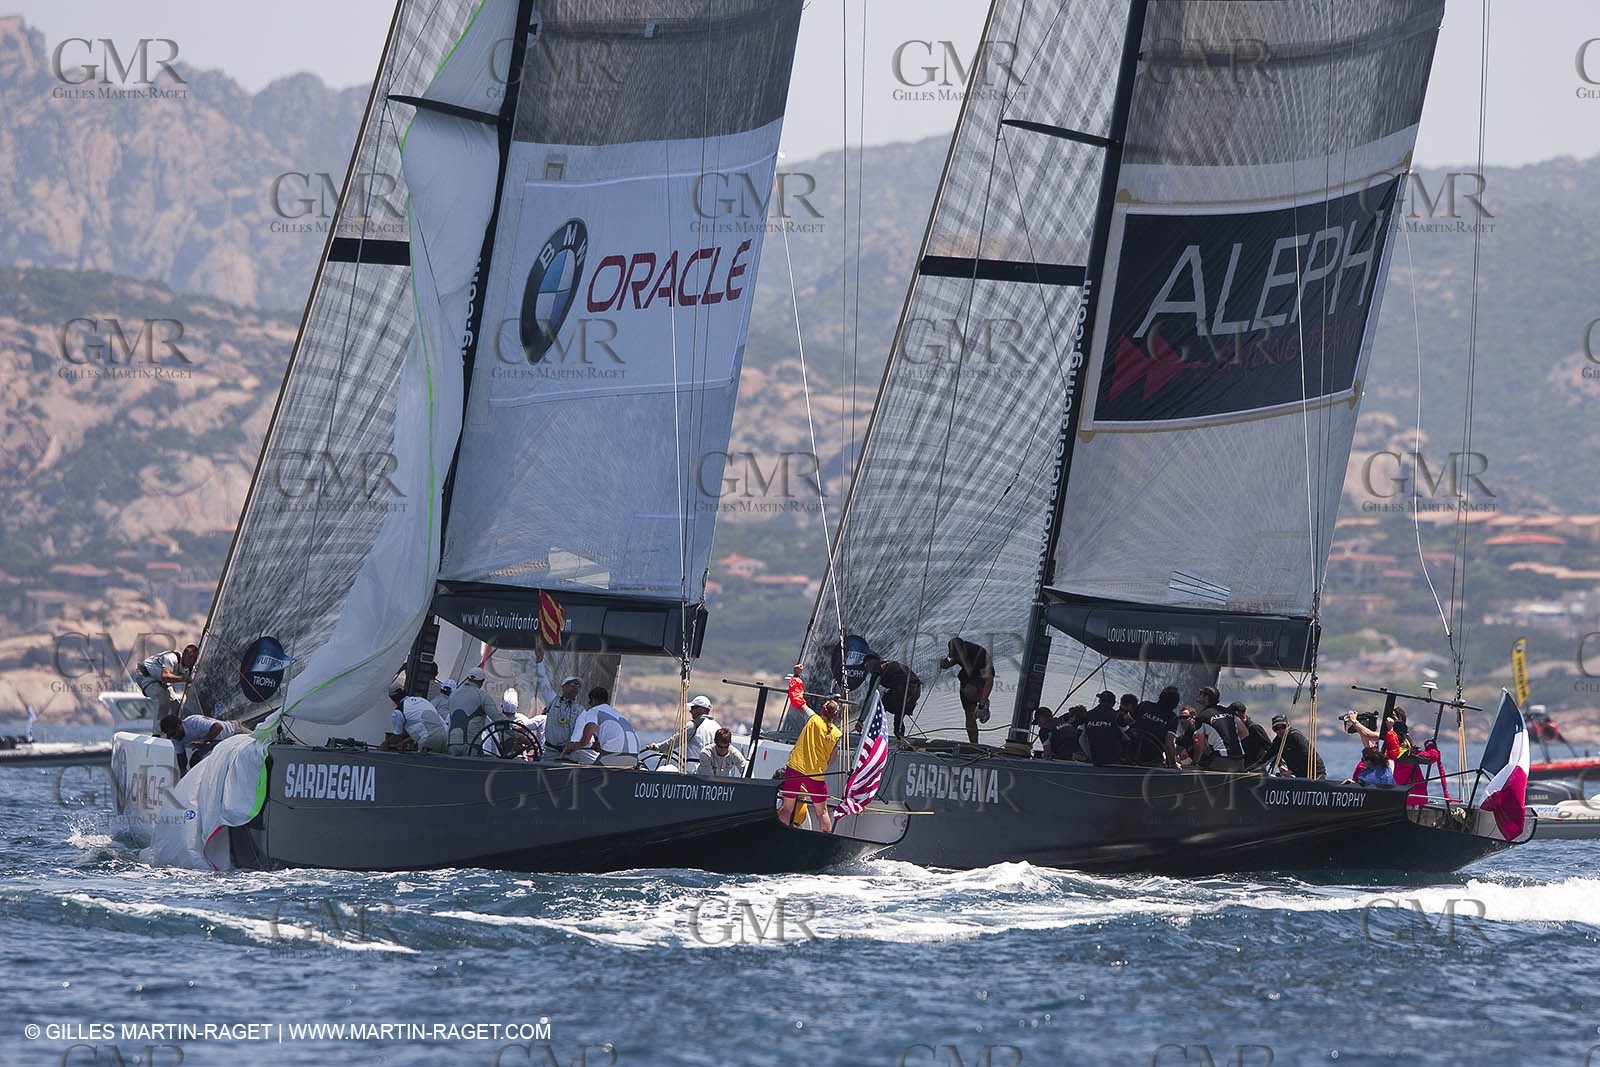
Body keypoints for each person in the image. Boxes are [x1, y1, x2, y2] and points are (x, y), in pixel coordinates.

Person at [777, 699, 843, 832]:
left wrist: (796, 680)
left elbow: (800, 704)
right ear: (836, 715)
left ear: (823, 710)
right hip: (816, 774)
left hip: (795, 768)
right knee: (822, 812)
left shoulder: (813, 719)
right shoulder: (837, 735)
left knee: (787, 808)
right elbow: (832, 759)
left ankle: (779, 834)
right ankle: (825, 842)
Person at [562, 687, 641, 765]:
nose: (590, 705)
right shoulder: (617, 713)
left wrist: (575, 746)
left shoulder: (594, 711)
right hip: (634, 754)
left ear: (593, 700)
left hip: (615, 753)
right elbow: (617, 735)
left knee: (594, 775)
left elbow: (589, 732)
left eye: (590, 702)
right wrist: (600, 745)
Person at [938, 637, 993, 745]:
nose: (958, 658)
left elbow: (989, 681)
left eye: (959, 655)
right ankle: (974, 745)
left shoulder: (979, 654)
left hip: (981, 676)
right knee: (969, 714)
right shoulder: (958, 654)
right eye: (955, 656)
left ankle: (984, 703)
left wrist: (981, 704)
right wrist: (946, 665)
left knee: (970, 691)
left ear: (964, 649)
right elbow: (955, 659)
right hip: (967, 675)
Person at [533, 648, 586, 760]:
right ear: (563, 686)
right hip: (550, 752)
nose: (575, 686)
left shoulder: (580, 710)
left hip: (569, 754)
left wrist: (572, 744)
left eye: (578, 685)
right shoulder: (552, 700)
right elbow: (543, 681)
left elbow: (579, 729)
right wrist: (539, 662)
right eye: (572, 684)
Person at [647, 694, 719, 770]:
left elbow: (673, 742)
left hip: (693, 771)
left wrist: (656, 747)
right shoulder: (718, 727)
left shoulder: (693, 725)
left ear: (701, 710)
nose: (690, 711)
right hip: (711, 772)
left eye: (693, 708)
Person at [159, 711, 244, 773]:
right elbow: (181, 755)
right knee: (195, 761)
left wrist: (203, 741)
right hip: (216, 744)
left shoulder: (193, 722)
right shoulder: (175, 739)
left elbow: (218, 727)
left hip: (233, 732)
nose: (174, 737)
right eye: (170, 736)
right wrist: (183, 770)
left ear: (179, 726)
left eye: (173, 734)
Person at [445, 665, 502, 755]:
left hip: (452, 742)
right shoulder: (481, 695)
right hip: (471, 743)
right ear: (482, 681)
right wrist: (511, 728)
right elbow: (496, 717)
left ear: (468, 678)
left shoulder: (453, 694)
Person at [862, 653, 922, 739]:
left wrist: (861, 720)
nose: (867, 669)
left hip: (906, 689)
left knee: (883, 705)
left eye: (866, 665)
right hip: (916, 689)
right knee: (898, 713)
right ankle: (900, 737)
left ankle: (872, 734)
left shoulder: (877, 671)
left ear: (872, 661)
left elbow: (870, 696)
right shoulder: (888, 663)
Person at [138, 643, 198, 724]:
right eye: (190, 657)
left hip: (160, 681)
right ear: (184, 654)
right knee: (162, 700)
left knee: (176, 705)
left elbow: (188, 689)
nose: (191, 661)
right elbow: (165, 676)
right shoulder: (171, 657)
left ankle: (173, 730)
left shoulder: (190, 669)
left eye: (194, 659)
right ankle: (158, 733)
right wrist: (183, 679)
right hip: (146, 675)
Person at [1130, 686, 1182, 769]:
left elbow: (1127, 720)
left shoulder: (1144, 705)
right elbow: (1169, 743)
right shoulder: (1172, 718)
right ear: (1175, 703)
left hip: (1130, 753)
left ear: (1160, 696)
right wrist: (1173, 763)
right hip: (1152, 759)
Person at [386, 682, 447, 753]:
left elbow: (397, 736)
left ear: (392, 698)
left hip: (429, 740)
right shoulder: (422, 700)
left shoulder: (398, 712)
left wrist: (385, 744)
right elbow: (425, 727)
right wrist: (405, 742)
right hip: (445, 735)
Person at [1269, 715, 1326, 779]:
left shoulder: (1296, 737)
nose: (1280, 730)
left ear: (1287, 726)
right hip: (1299, 775)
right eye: (1276, 728)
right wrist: (1280, 765)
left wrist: (1293, 771)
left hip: (1315, 773)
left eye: (1283, 727)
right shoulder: (1277, 741)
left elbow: (1307, 756)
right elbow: (1268, 756)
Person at [1196, 702, 1247, 771]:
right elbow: (1245, 733)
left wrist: (1206, 754)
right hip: (1240, 757)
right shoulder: (1230, 713)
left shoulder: (1202, 716)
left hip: (1221, 759)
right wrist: (1231, 742)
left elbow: (1201, 746)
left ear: (1206, 698)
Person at [1080, 691, 1125, 766]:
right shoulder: (1117, 716)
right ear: (1113, 704)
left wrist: (1090, 756)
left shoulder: (1088, 715)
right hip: (1113, 762)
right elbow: (1128, 737)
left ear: (1100, 701)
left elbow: (1081, 739)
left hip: (1094, 760)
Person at [1234, 702, 1274, 768]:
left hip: (1257, 767)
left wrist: (1280, 764)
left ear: (1243, 716)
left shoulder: (1255, 728)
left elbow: (1270, 747)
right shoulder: (1233, 729)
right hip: (1243, 766)